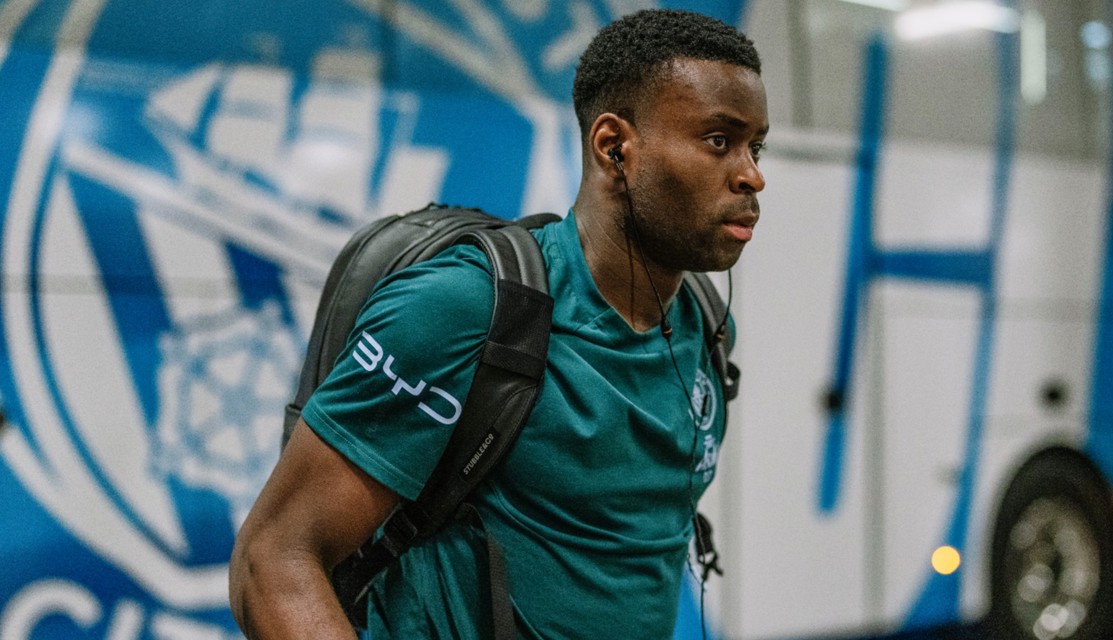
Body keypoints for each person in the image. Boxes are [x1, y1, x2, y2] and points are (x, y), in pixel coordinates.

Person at [229, 8, 767, 639]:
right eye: (718, 142)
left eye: (755, 147)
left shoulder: (703, 327)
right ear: (614, 147)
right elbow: (273, 560)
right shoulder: (466, 310)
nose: (752, 175)